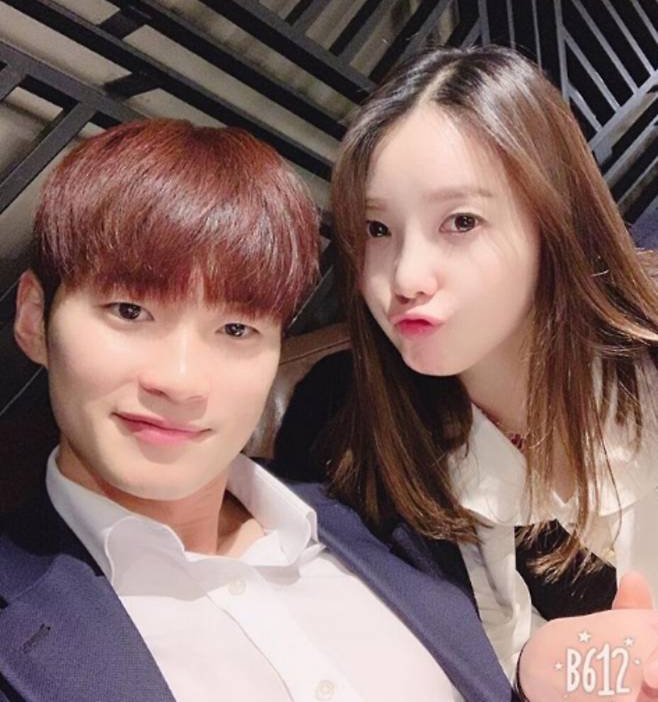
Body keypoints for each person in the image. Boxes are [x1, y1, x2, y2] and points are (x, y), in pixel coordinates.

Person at [0, 119, 516, 702]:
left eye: (236, 329)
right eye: (129, 311)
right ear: (34, 319)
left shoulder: (380, 516)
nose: (181, 381)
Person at [284, 45, 658, 698]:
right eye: (377, 229)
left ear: (552, 218)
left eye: (460, 222)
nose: (405, 277)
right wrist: (540, 670)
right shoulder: (340, 435)